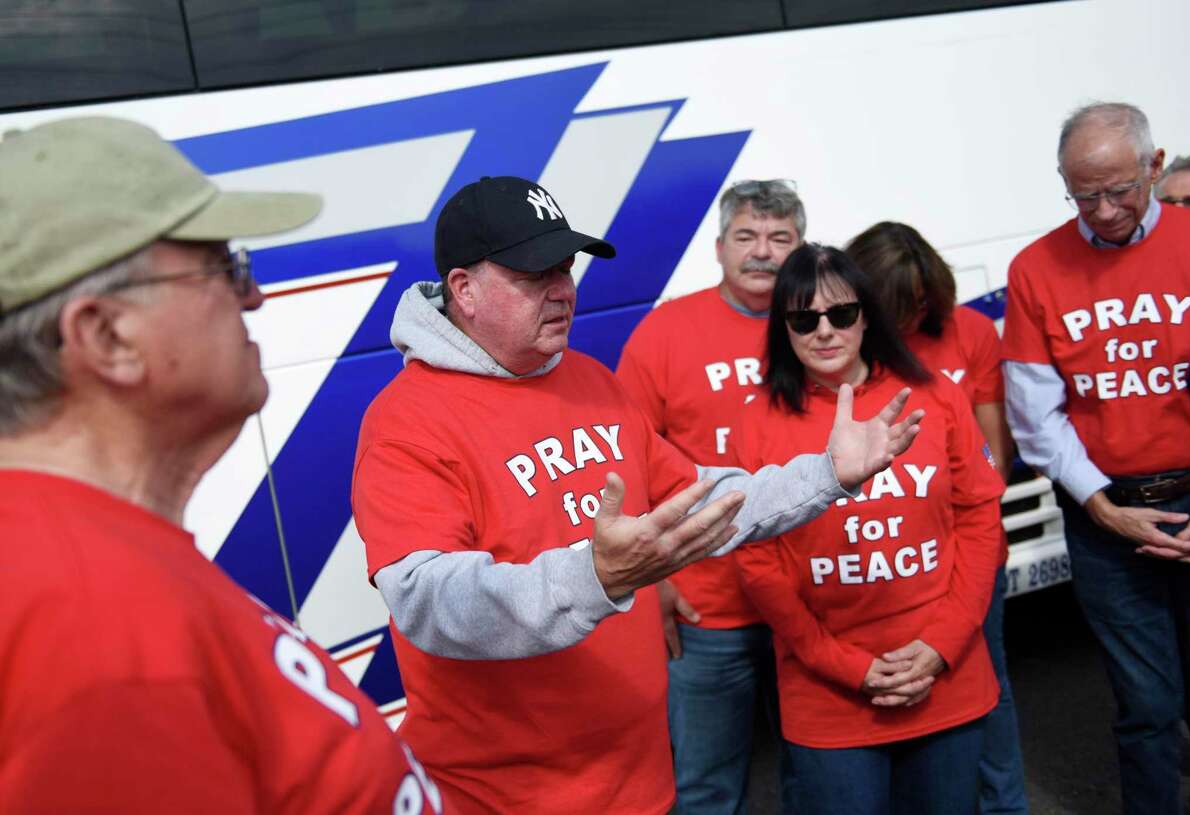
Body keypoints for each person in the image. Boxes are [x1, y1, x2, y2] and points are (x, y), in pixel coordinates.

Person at [351, 175, 924, 815]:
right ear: (464, 290)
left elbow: (701, 502)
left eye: (565, 268)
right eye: (534, 274)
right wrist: (592, 577)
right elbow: (425, 600)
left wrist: (826, 475)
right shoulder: (406, 420)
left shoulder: (590, 379)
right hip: (506, 797)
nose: (563, 290)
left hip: (641, 782)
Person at [0, 116, 445, 815]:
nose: (254, 295)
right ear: (107, 335)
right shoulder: (96, 636)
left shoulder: (82, 565)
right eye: (223, 267)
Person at [733, 243, 1006, 815]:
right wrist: (847, 667)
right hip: (829, 699)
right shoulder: (757, 425)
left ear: (867, 317)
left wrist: (942, 645)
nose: (825, 332)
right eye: (804, 319)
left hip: (947, 678)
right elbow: (757, 564)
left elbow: (981, 521)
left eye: (842, 314)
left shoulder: (932, 395)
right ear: (784, 327)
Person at [1001, 101, 1190, 815]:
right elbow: (1035, 413)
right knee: (1146, 704)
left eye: (1120, 190)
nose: (1105, 211)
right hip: (1104, 513)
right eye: (1084, 194)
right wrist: (1102, 505)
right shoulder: (1035, 268)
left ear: (1154, 164)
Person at [615, 178, 804, 814]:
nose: (763, 252)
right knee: (704, 787)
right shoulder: (665, 333)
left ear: (801, 247)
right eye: (746, 236)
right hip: (707, 610)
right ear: (719, 247)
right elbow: (623, 465)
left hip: (817, 599)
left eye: (781, 238)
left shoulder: (823, 327)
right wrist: (653, 583)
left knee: (825, 775)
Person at [845, 221, 1027, 814]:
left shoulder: (968, 332)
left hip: (965, 556)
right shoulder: (845, 352)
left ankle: (1005, 807)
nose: (911, 320)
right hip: (883, 560)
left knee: (987, 690)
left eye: (920, 304)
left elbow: (993, 456)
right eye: (897, 308)